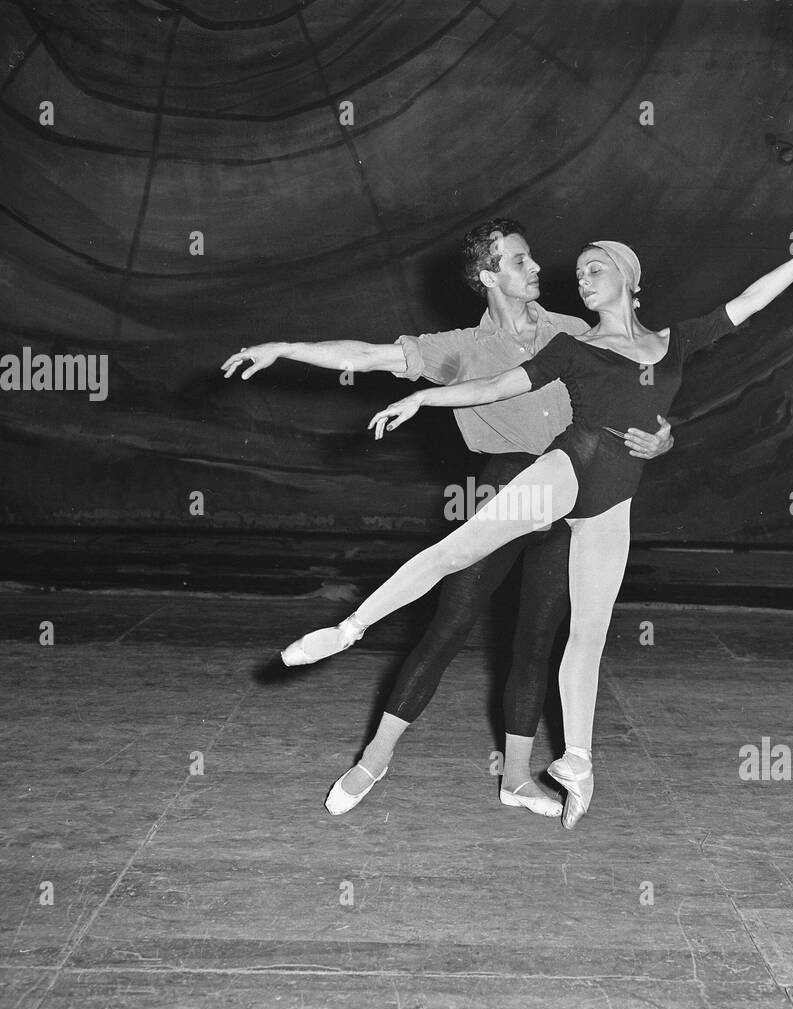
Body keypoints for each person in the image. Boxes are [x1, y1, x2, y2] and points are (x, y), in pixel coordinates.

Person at [280, 238, 793, 828]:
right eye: (580, 272)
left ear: (630, 278)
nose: (582, 279)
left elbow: (750, 301)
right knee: (454, 555)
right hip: (561, 471)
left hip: (612, 504)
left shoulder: (675, 341)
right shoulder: (572, 345)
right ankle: (347, 630)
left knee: (585, 635)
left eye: (596, 269)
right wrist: (423, 398)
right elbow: (494, 388)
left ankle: (578, 762)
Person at [219, 219, 676, 818]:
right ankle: (372, 761)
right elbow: (368, 355)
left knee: (536, 641)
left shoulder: (573, 331)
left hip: (578, 487)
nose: (536, 267)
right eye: (519, 260)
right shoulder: (459, 346)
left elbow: (639, 390)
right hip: (504, 482)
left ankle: (515, 779)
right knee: (448, 625)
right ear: (490, 276)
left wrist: (663, 440)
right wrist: (282, 348)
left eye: (531, 256)